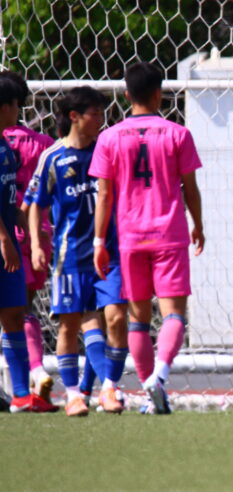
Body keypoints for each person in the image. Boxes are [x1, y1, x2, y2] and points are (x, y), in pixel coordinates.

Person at [90, 62, 205, 415]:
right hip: (169, 234)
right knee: (173, 315)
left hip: (130, 238)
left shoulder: (109, 137)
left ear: (127, 95)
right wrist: (198, 225)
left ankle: (148, 393)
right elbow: (190, 188)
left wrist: (99, 242)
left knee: (138, 319)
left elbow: (104, 195)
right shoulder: (177, 134)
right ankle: (160, 376)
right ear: (159, 94)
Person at [27, 86, 129, 416]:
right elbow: (35, 204)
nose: (101, 120)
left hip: (110, 252)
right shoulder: (53, 157)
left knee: (116, 318)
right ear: (75, 116)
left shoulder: (107, 150)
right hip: (69, 257)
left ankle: (110, 388)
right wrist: (35, 243)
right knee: (69, 326)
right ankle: (73, 395)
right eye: (95, 114)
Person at [0, 76, 57, 413]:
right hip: (10, 243)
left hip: (12, 242)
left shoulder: (6, 148)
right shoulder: (38, 145)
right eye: (15, 104)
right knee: (19, 312)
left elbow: (9, 200)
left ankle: (22, 393)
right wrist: (7, 238)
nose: (18, 110)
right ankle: (28, 379)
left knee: (14, 314)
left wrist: (24, 226)